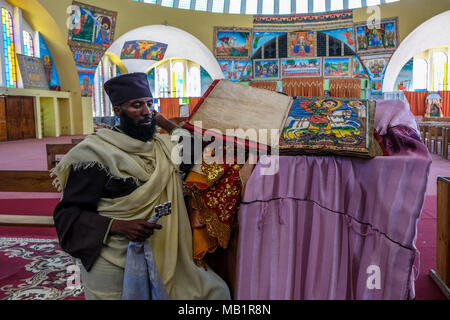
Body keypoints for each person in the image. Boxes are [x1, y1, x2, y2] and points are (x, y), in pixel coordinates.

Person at [52, 72, 230, 300]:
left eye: (149, 104)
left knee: (216, 293)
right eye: (137, 105)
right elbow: (68, 215)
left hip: (167, 253)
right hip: (114, 253)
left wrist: (163, 120)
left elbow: (192, 148)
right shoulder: (95, 154)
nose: (146, 111)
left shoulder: (162, 146)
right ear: (118, 111)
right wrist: (117, 226)